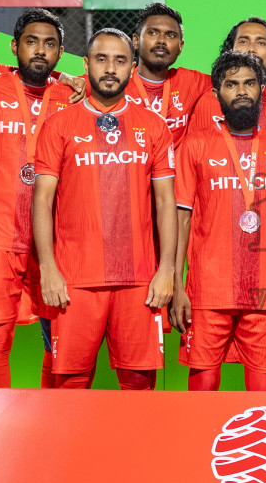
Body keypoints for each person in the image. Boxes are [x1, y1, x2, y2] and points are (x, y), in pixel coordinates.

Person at [32, 29, 177, 391]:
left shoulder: (155, 127)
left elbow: (165, 203)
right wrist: (48, 269)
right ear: (85, 65)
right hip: (75, 280)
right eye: (101, 59)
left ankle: (135, 452)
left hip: (138, 280)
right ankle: (69, 452)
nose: (110, 68)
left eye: (120, 60)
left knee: (139, 383)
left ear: (132, 67)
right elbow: (42, 201)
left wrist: (167, 271)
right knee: (69, 384)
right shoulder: (58, 125)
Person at [171, 51, 266, 391]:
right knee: (202, 388)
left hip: (264, 293)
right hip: (206, 291)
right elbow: (181, 220)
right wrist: (176, 285)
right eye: (231, 84)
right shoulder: (194, 145)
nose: (241, 91)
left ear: (261, 90)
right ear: (217, 93)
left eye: (249, 83)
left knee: (264, 394)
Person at [0, 9, 74, 388]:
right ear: (14, 47)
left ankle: (53, 431)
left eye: (50, 44)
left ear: (61, 53)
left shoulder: (71, 97)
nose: (40, 51)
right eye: (31, 42)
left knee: (58, 342)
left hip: (54, 243)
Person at [185, 17, 266, 139]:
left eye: (261, 43)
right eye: (243, 41)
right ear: (230, 49)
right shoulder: (208, 99)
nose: (251, 49)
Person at [117, 3, 212, 147]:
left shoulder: (191, 82)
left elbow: (238, 81)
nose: (161, 41)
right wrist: (69, 78)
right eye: (153, 33)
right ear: (135, 41)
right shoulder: (115, 81)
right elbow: (77, 84)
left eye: (170, 35)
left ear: (180, 46)